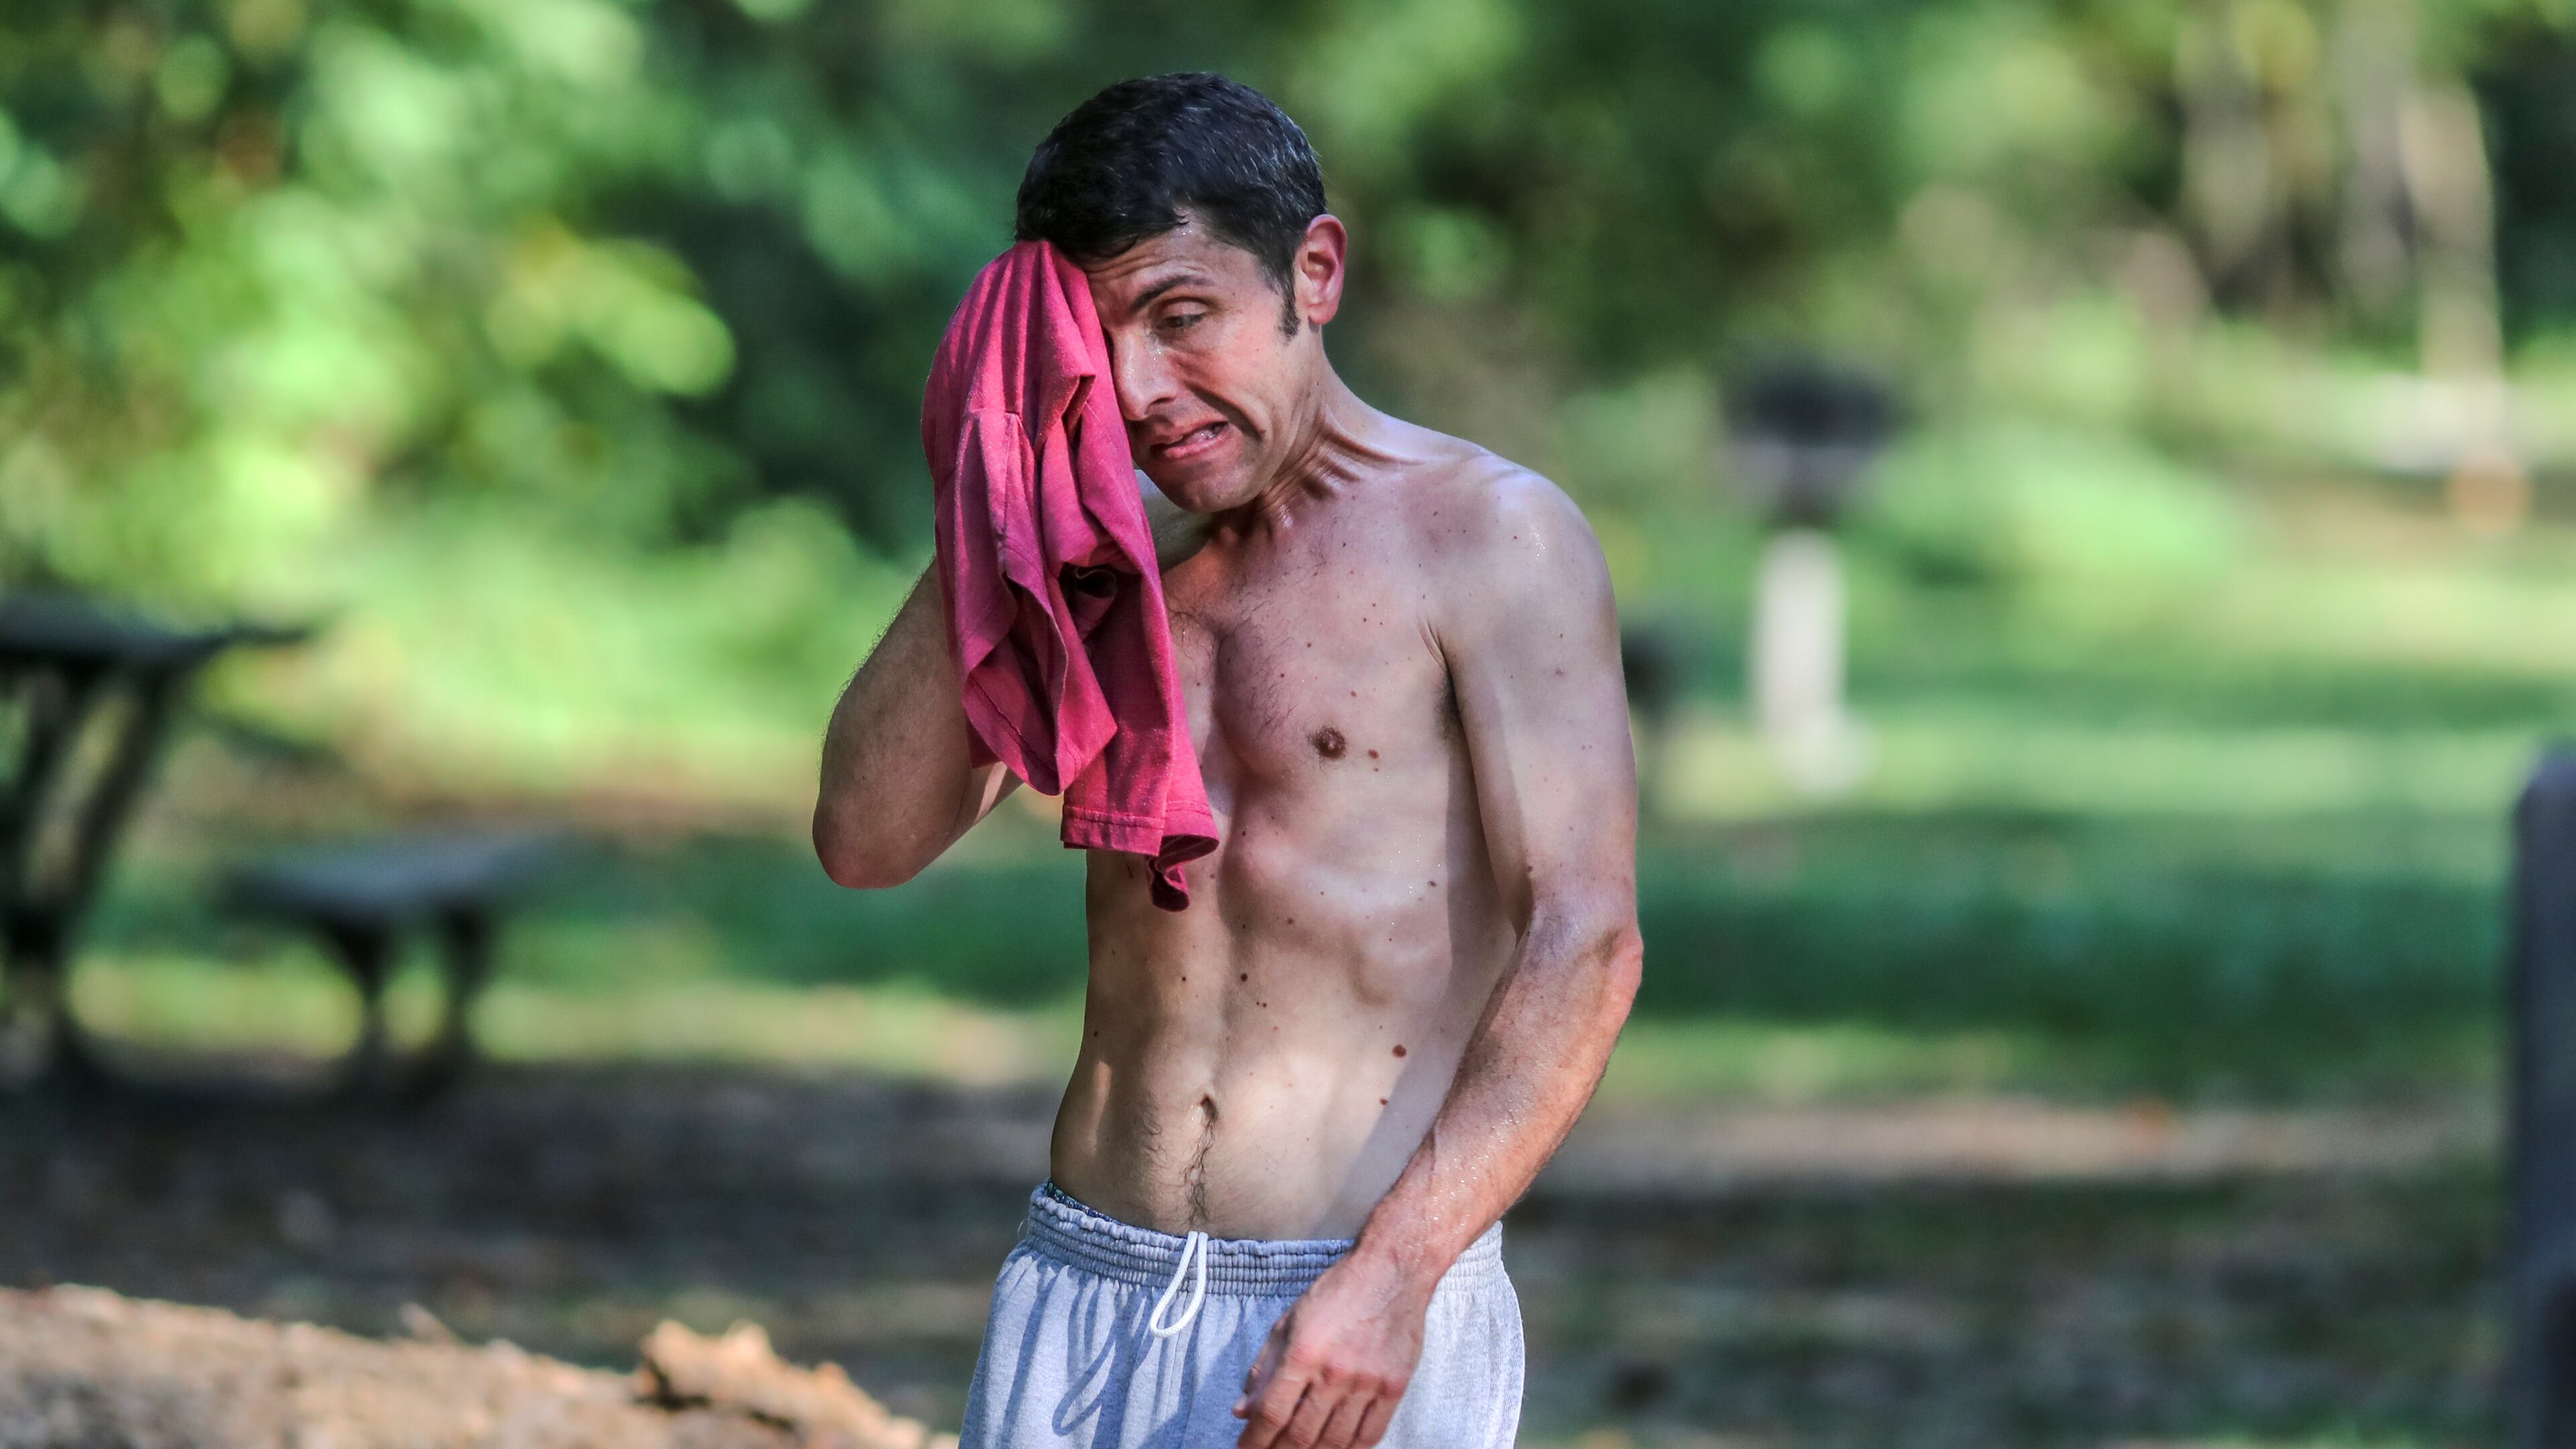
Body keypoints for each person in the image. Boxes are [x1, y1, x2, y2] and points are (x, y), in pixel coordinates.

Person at [813, 72, 1640, 1449]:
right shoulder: (1088, 552)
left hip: (1346, 1313)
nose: (1140, 389)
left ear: (1313, 273)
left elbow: (1586, 941)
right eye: (1096, 338)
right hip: (1085, 1283)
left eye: (1181, 318)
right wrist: (1000, 498)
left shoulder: (1489, 538)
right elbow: (864, 841)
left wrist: (1397, 1275)